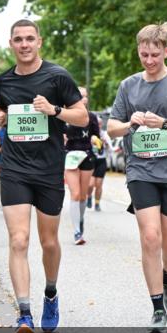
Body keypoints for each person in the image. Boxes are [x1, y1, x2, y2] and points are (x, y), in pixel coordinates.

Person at [0, 19, 87, 333]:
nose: (24, 44)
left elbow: (82, 116)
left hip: (48, 171)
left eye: (30, 38)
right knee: (18, 240)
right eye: (18, 39)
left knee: (48, 242)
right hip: (15, 168)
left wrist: (54, 109)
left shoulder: (57, 76)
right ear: (11, 44)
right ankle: (24, 313)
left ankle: (50, 291)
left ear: (39, 42)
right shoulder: (3, 80)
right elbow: (0, 111)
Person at [107, 22, 167, 333]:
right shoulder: (129, 86)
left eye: (154, 54)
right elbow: (111, 127)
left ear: (166, 51)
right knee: (150, 237)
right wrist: (129, 124)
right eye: (143, 54)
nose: (148, 60)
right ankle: (157, 308)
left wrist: (165, 123)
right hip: (141, 171)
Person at [63, 87, 98, 245]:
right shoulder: (64, 116)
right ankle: (77, 232)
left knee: (83, 195)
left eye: (84, 96)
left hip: (86, 155)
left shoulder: (91, 117)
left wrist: (96, 140)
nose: (82, 99)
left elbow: (96, 135)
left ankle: (80, 220)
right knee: (75, 194)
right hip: (70, 156)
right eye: (79, 96)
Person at [89, 115, 111, 212]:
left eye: (100, 123)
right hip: (92, 160)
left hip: (101, 161)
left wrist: (105, 143)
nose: (98, 125)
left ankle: (97, 203)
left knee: (98, 184)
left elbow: (111, 149)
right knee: (90, 184)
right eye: (96, 123)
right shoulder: (90, 134)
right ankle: (89, 196)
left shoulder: (104, 134)